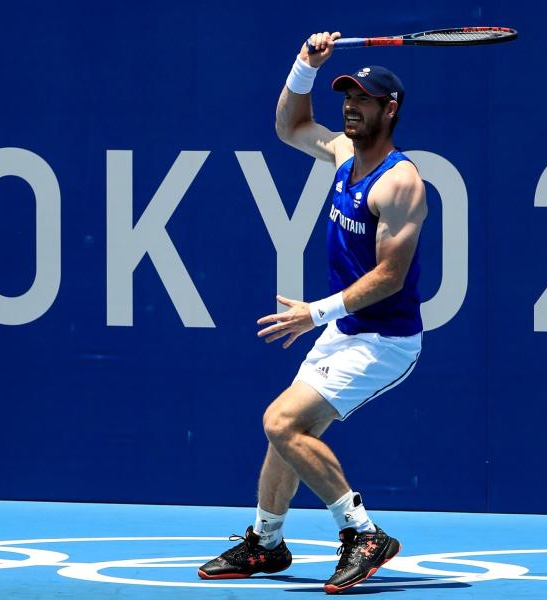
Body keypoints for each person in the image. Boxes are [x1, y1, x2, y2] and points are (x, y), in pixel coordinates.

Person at [198, 30, 427, 595]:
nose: (349, 106)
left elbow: (389, 277)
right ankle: (267, 543)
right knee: (289, 432)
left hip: (384, 340)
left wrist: (315, 313)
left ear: (389, 109)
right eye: (345, 96)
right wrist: (304, 64)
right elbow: (290, 127)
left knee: (280, 422)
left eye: (362, 100)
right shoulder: (344, 153)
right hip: (344, 329)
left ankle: (363, 534)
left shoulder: (401, 182)